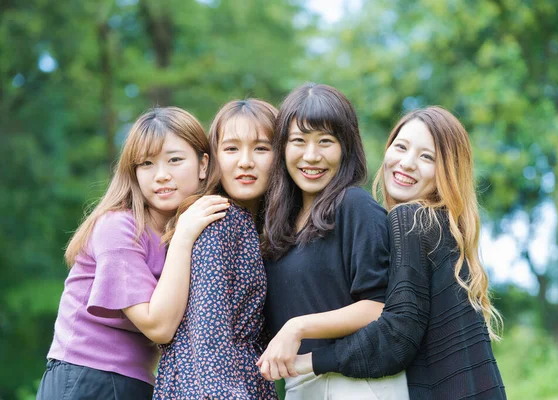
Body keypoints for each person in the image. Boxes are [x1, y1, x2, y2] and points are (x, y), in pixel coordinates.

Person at [294, 106, 507, 399]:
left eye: (427, 157)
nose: (407, 163)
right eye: (401, 147)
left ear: (448, 170)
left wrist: (307, 361)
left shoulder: (411, 219)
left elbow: (397, 335)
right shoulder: (443, 224)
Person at [37, 107, 230, 399]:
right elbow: (159, 326)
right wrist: (184, 236)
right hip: (86, 377)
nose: (161, 175)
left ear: (203, 164)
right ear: (134, 172)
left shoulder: (195, 231)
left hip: (137, 382)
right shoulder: (118, 228)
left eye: (175, 160)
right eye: (147, 164)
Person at [259, 83, 408, 399]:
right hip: (302, 384)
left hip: (358, 385)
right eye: (298, 141)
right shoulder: (277, 223)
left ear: (346, 148)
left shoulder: (355, 207)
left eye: (325, 142)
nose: (311, 156)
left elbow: (379, 307)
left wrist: (298, 327)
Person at [153, 99, 279, 399]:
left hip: (243, 380)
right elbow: (208, 334)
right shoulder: (217, 219)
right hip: (212, 386)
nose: (245, 161)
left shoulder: (256, 226)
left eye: (261, 148)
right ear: (211, 160)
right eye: (232, 149)